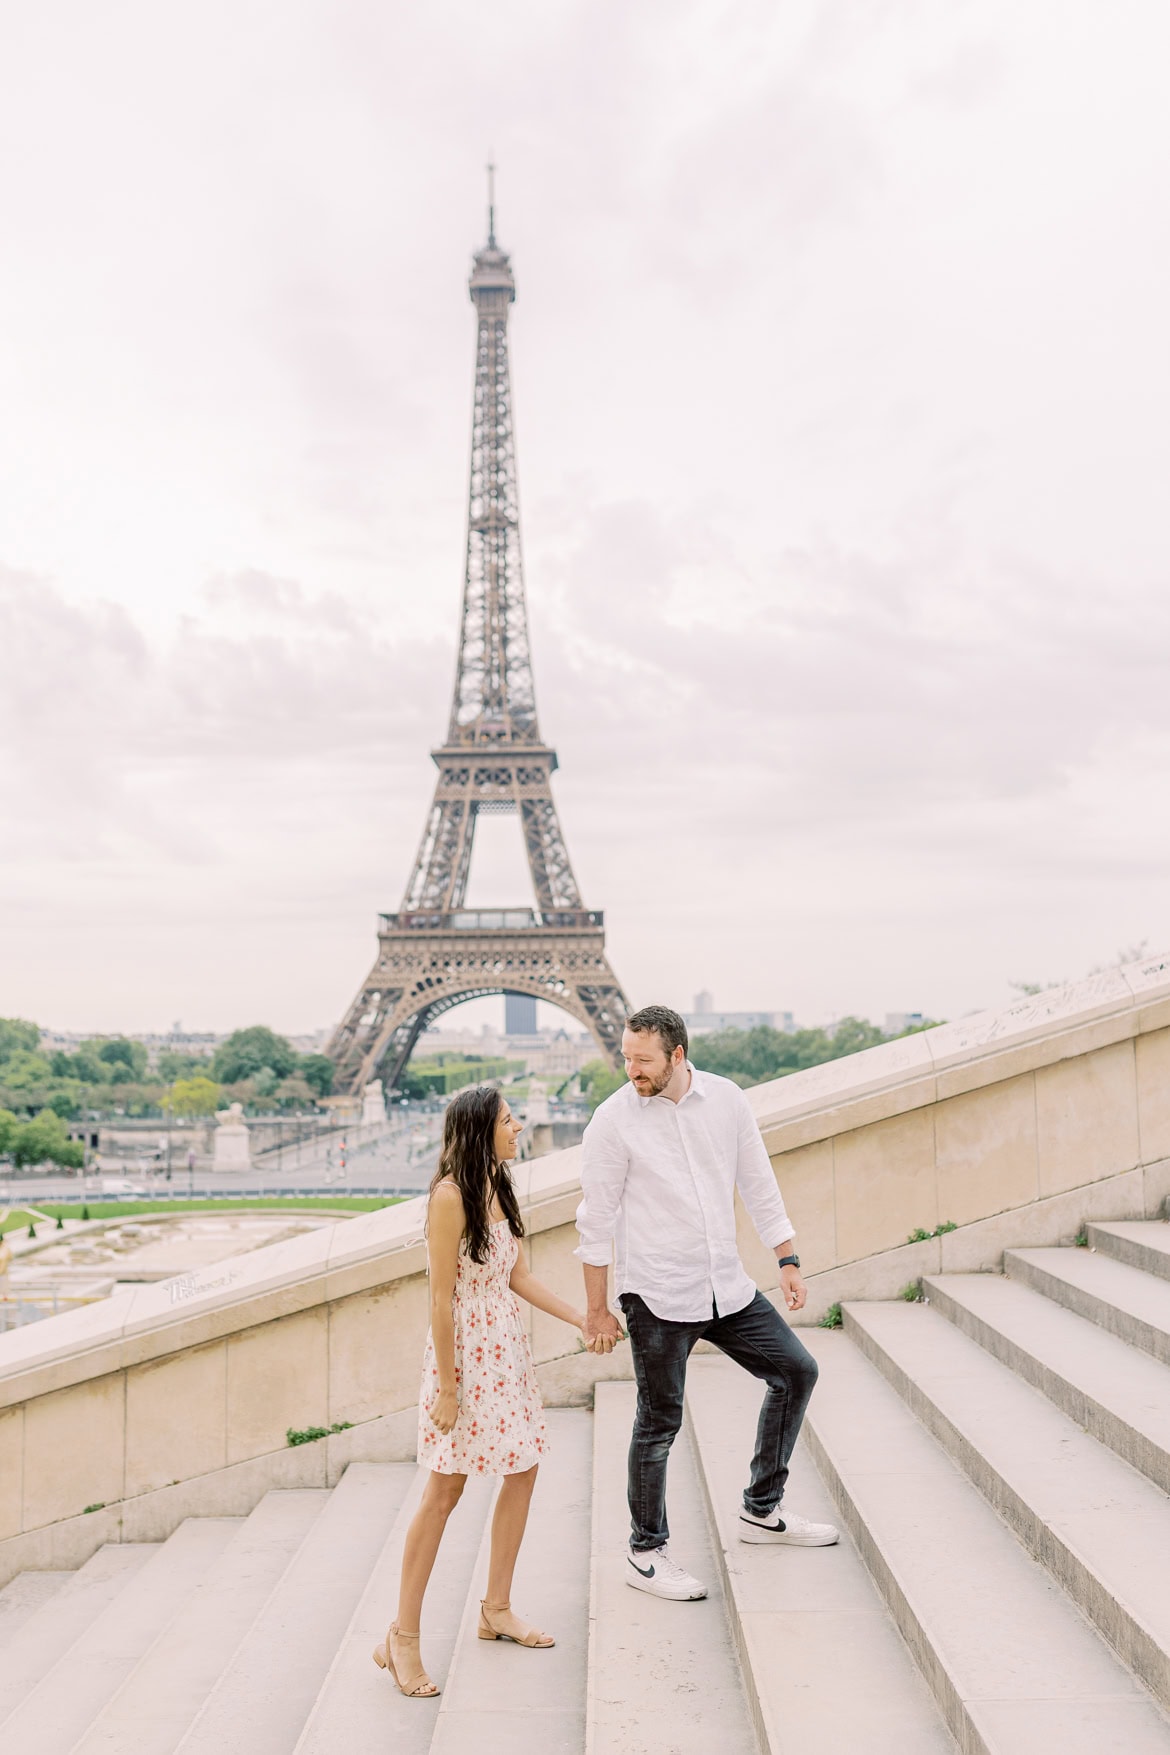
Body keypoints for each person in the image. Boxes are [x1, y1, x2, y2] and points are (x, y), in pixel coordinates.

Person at [576, 1004, 838, 1602]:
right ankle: (645, 1552)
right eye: (625, 1057)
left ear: (677, 1055)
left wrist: (788, 1258)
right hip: (658, 1294)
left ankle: (761, 1507)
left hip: (726, 1285)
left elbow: (758, 1181)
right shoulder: (612, 1121)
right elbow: (595, 1222)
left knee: (796, 1372)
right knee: (659, 1421)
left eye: (642, 1060)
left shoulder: (726, 1100)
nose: (630, 1069)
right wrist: (597, 1309)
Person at [376, 1083, 588, 1698]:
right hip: (464, 1359)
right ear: (479, 1128)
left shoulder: (499, 1183)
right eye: (508, 1119)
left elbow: (516, 1275)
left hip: (505, 1356)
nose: (519, 1127)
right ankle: (403, 1637)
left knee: (523, 1470)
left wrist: (580, 1317)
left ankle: (496, 1608)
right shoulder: (449, 1197)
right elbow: (440, 1300)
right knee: (444, 1492)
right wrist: (448, 1388)